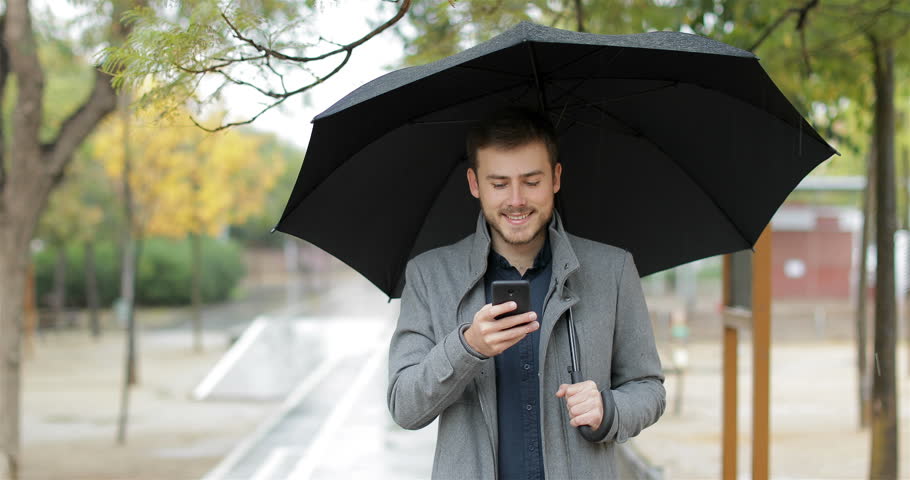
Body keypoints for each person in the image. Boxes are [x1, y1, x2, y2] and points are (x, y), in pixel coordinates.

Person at [387, 108, 665, 479]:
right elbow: (405, 406)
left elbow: (648, 388)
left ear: (556, 177)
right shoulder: (429, 275)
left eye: (531, 181)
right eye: (499, 183)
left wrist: (609, 409)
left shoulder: (612, 270)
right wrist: (467, 346)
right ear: (475, 184)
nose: (516, 200)